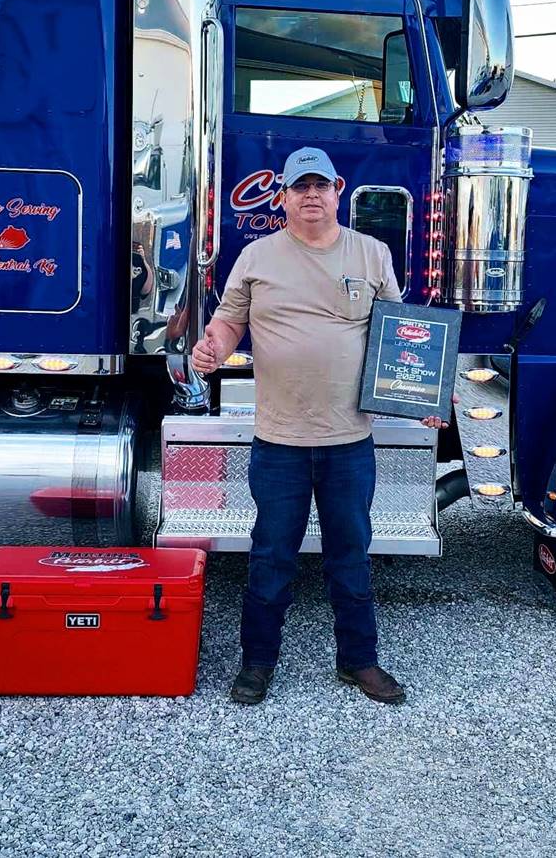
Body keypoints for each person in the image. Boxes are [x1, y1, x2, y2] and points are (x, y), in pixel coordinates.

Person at [192, 146, 448, 706]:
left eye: (320, 185)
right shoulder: (258, 256)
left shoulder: (372, 253)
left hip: (348, 444)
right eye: (298, 186)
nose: (311, 195)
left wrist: (422, 395)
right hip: (278, 443)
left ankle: (359, 661)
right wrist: (212, 348)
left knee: (350, 557)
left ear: (338, 190)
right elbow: (229, 321)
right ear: (282, 196)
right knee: (270, 556)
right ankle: (257, 663)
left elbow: (404, 337)